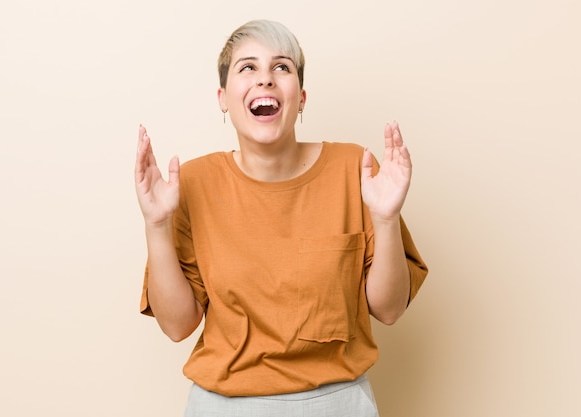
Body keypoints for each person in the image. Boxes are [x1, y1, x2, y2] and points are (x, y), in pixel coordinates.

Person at [135, 19, 428, 417]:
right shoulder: (192, 183)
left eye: (282, 67)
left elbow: (390, 310)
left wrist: (386, 219)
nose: (265, 80)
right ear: (223, 97)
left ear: (302, 97)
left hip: (338, 404)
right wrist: (156, 226)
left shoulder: (354, 169)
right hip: (223, 407)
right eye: (248, 67)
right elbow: (177, 326)